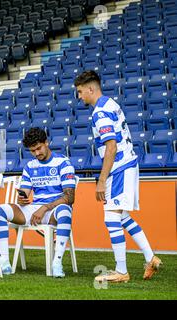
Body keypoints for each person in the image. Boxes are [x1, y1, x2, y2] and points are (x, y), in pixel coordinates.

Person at [74, 70, 161, 283]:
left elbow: (111, 147)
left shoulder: (100, 112)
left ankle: (121, 270)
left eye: (80, 92)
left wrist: (101, 181)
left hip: (119, 167)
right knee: (122, 217)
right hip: (128, 164)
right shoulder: (111, 103)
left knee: (111, 217)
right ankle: (151, 258)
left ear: (91, 89)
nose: (79, 96)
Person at [0, 128, 76, 278]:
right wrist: (21, 199)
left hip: (53, 210)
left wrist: (44, 208)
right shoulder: (30, 166)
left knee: (65, 210)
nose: (37, 153)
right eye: (32, 151)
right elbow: (25, 192)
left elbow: (70, 197)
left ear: (46, 143)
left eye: (39, 148)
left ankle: (57, 262)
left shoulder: (63, 162)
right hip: (34, 209)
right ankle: (3, 262)